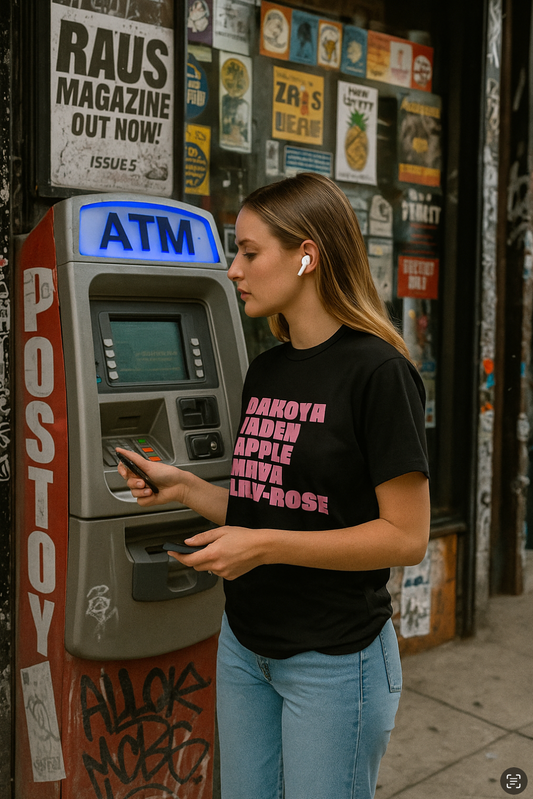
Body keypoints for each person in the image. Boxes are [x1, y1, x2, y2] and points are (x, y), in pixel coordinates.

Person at [117, 172, 430, 799]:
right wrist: (181, 487)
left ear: (307, 254)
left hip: (334, 661)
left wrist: (263, 548)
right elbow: (265, 506)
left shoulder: (379, 372)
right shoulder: (267, 369)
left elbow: (405, 538)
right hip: (245, 645)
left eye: (250, 252)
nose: (234, 270)